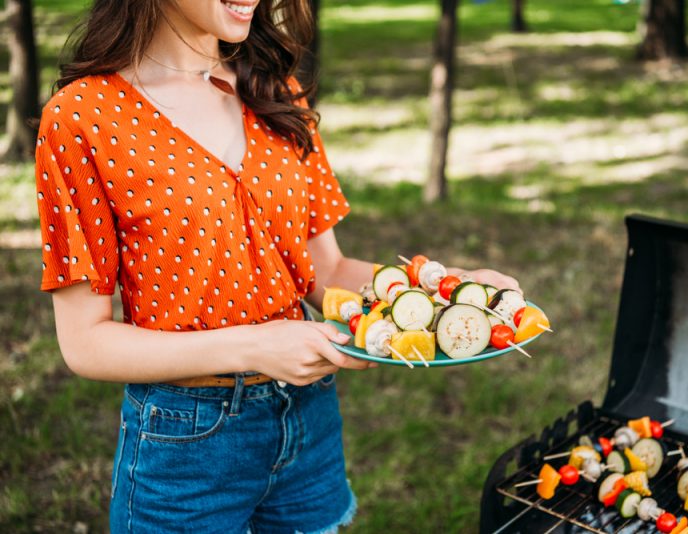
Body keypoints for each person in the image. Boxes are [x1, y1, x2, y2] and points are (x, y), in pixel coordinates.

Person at [34, 0, 521, 532]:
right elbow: (85, 342)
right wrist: (256, 345)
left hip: (308, 421)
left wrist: (448, 291)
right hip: (186, 444)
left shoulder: (276, 88)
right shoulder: (83, 115)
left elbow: (327, 274)